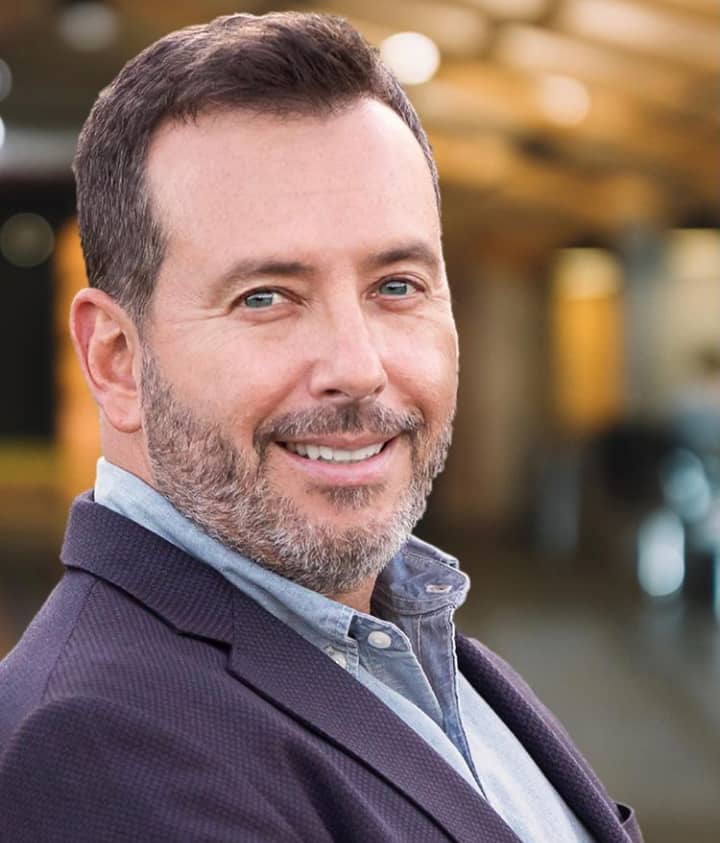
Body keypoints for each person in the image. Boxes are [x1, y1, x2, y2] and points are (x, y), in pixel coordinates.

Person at [0, 13, 642, 843]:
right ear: (117, 360)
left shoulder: (418, 652)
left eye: (397, 286)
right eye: (266, 296)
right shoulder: (102, 752)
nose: (358, 366)